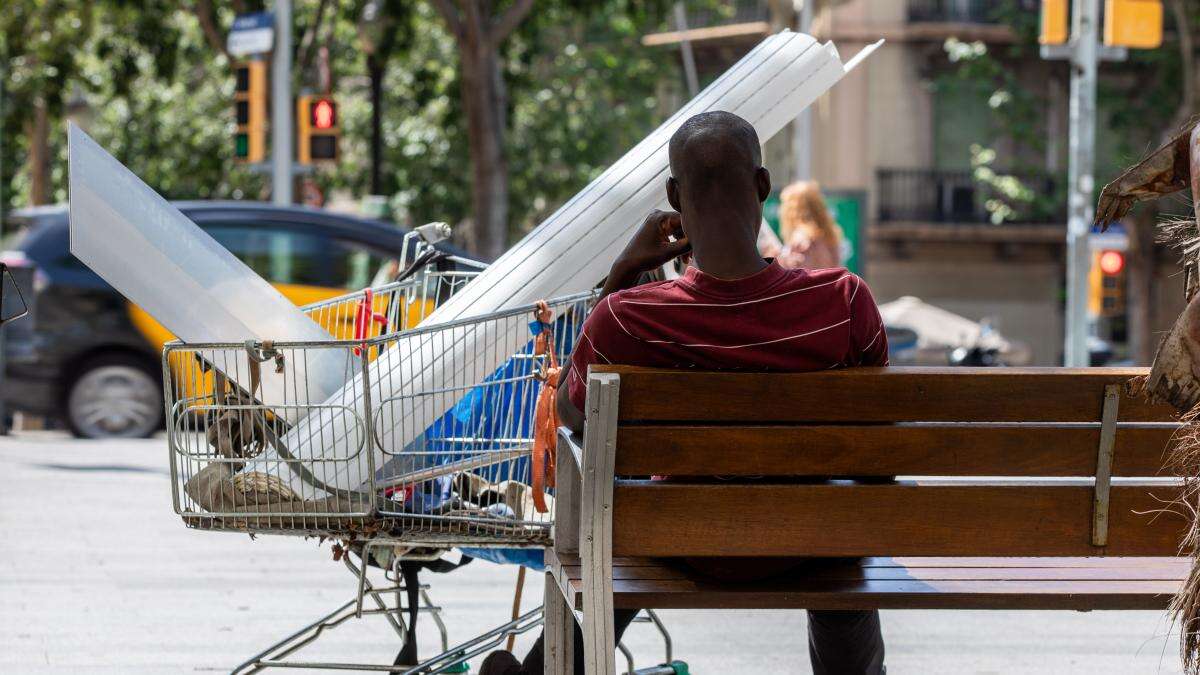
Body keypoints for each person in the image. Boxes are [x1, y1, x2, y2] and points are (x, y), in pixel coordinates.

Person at [480, 111, 888, 675]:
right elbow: (879, 445)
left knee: (623, 531)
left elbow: (573, 413)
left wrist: (625, 267)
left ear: (675, 196)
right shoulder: (843, 300)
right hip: (807, 538)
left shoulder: (629, 318)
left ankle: (539, 673)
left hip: (680, 539)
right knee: (837, 532)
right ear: (763, 187)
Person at [771, 180, 842, 270]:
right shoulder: (830, 235)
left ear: (791, 209)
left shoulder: (801, 238)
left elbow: (799, 275)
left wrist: (778, 261)